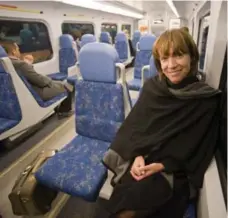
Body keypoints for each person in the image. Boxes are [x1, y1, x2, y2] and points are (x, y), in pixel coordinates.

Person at [102, 28, 221, 218]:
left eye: (179, 55)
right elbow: (135, 127)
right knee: (124, 197)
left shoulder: (205, 99)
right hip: (142, 160)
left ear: (192, 56)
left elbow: (195, 146)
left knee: (134, 206)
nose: (171, 65)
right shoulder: (152, 87)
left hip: (172, 169)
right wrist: (137, 156)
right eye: (165, 58)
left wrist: (161, 165)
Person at [2, 41, 74, 118]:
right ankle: (64, 111)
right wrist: (50, 81)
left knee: (58, 83)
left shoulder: (4, 65)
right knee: (67, 85)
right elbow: (41, 82)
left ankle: (57, 108)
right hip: (37, 92)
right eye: (18, 49)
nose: (19, 51)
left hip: (21, 94)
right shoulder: (20, 64)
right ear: (13, 51)